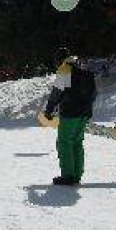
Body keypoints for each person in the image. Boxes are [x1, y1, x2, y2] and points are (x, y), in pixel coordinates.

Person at [44, 53, 97, 185]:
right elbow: (94, 93)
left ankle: (68, 175)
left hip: (70, 113)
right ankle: (77, 174)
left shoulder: (65, 69)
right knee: (77, 142)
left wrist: (49, 110)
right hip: (84, 113)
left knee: (64, 142)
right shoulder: (86, 71)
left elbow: (57, 92)